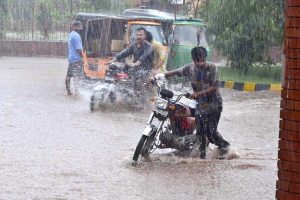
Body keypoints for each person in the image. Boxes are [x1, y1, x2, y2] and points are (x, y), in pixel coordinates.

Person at [157, 46, 230, 159]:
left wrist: (198, 94)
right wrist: (160, 76)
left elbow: (215, 87)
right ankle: (202, 158)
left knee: (211, 133)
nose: (200, 63)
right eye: (197, 61)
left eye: (202, 60)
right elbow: (176, 72)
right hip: (200, 105)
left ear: (205, 58)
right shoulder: (190, 68)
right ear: (193, 59)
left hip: (214, 104)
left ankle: (225, 147)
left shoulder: (212, 68)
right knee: (200, 134)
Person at [110, 27, 154, 100]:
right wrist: (114, 59)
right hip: (135, 70)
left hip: (146, 71)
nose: (138, 37)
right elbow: (124, 52)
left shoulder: (148, 47)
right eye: (137, 35)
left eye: (141, 35)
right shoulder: (134, 46)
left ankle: (142, 101)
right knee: (118, 71)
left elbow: (143, 56)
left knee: (140, 85)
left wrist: (136, 63)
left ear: (145, 36)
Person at [65, 21, 84, 96]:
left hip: (71, 58)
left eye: (81, 27)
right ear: (75, 26)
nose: (81, 28)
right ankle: (77, 92)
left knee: (69, 76)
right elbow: (79, 49)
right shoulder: (76, 36)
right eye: (79, 27)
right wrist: (82, 57)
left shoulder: (71, 34)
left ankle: (68, 92)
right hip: (76, 59)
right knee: (78, 76)